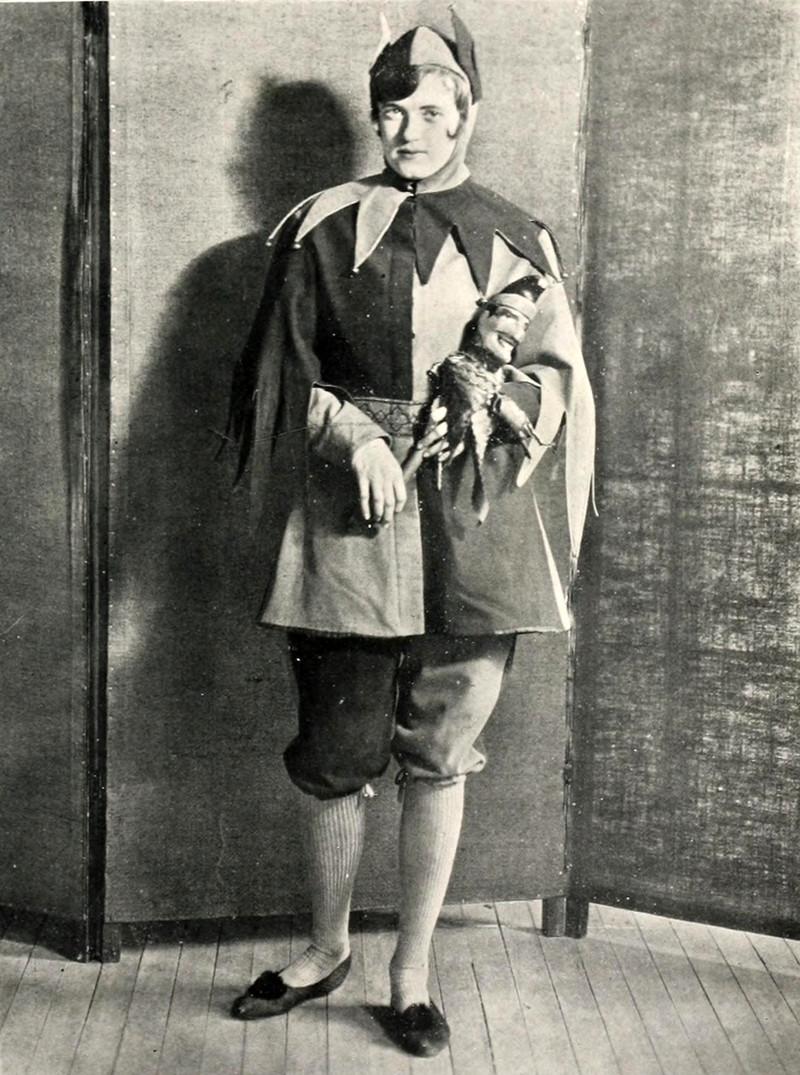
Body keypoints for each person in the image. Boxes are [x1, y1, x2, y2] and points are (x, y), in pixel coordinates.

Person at [226, 13, 594, 1058]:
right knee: (336, 750)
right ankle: (325, 948)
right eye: (392, 111)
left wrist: (481, 408)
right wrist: (351, 436)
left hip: (473, 529)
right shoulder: (321, 228)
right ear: (374, 114)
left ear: (467, 114)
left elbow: (553, 379)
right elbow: (283, 372)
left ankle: (411, 971)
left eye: (434, 112)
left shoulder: (517, 238)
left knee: (439, 750)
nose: (409, 130)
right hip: (349, 530)